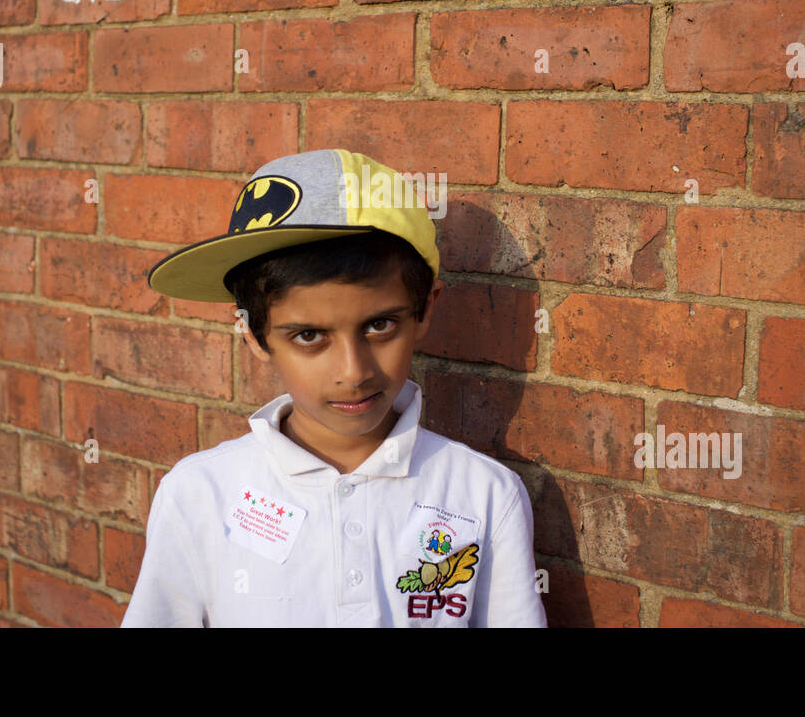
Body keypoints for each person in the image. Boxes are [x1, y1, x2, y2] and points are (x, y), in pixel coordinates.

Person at [119, 148, 547, 627]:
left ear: (426, 308)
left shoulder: (484, 495)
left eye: (380, 325)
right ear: (255, 335)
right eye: (309, 336)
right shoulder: (199, 493)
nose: (354, 370)